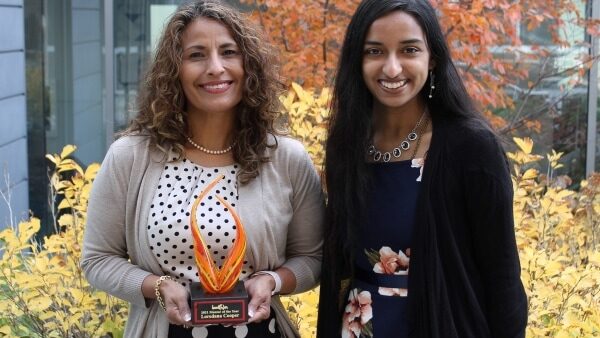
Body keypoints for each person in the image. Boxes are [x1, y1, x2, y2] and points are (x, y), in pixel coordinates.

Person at [81, 1, 324, 338]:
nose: (215, 67)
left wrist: (272, 280)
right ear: (173, 70)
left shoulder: (287, 158)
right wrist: (158, 286)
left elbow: (313, 258)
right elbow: (97, 259)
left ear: (248, 65)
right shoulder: (130, 156)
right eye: (196, 55)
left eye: (228, 52)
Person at [317, 0, 528, 337]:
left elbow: (502, 279)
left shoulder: (471, 148)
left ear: (433, 60)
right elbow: (337, 271)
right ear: (357, 61)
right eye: (375, 51)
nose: (392, 68)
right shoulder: (347, 145)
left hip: (444, 324)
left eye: (409, 50)